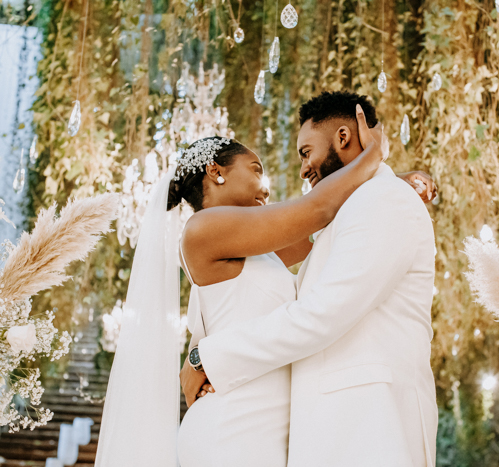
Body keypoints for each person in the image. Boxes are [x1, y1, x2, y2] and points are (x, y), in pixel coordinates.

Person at [96, 94, 434, 467]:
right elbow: (316, 209)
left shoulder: (260, 246)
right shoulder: (203, 230)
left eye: (306, 153)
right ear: (215, 171)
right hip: (235, 425)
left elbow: (323, 224)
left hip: (269, 428)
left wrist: (389, 182)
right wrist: (373, 159)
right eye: (256, 169)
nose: (268, 185)